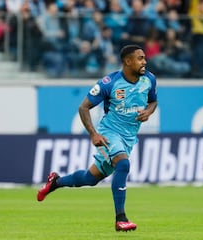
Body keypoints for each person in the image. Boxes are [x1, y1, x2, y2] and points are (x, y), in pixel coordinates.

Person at [37, 44, 158, 232]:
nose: (145, 62)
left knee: (91, 178)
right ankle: (121, 219)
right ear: (127, 61)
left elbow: (153, 101)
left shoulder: (149, 79)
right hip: (109, 134)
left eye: (144, 58)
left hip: (129, 138)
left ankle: (56, 182)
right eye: (140, 58)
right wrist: (94, 134)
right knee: (123, 165)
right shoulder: (109, 83)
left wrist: (149, 111)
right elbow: (83, 107)